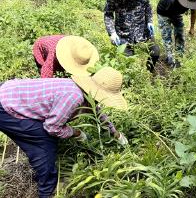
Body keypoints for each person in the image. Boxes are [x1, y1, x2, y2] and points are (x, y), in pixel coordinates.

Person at [0, 67, 128, 198]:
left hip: (9, 92)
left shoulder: (81, 89)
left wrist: (115, 133)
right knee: (45, 142)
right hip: (5, 107)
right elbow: (52, 128)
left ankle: (42, 175)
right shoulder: (74, 96)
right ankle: (46, 191)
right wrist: (76, 133)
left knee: (43, 134)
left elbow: (98, 113)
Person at [104, 0, 160, 72]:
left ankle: (149, 71)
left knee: (155, 52)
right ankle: (130, 83)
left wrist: (150, 21)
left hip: (142, 31)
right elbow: (108, 14)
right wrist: (112, 33)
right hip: (123, 34)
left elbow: (147, 7)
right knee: (127, 63)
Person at [156, 0, 196, 68]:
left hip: (176, 12)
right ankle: (169, 56)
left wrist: (192, 27)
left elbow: (193, 13)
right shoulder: (173, 1)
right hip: (164, 12)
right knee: (167, 34)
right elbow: (171, 17)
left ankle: (179, 56)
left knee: (180, 33)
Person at [33, 35, 99, 78]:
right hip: (41, 47)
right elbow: (46, 74)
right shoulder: (53, 54)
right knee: (43, 69)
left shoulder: (81, 48)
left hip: (55, 43)